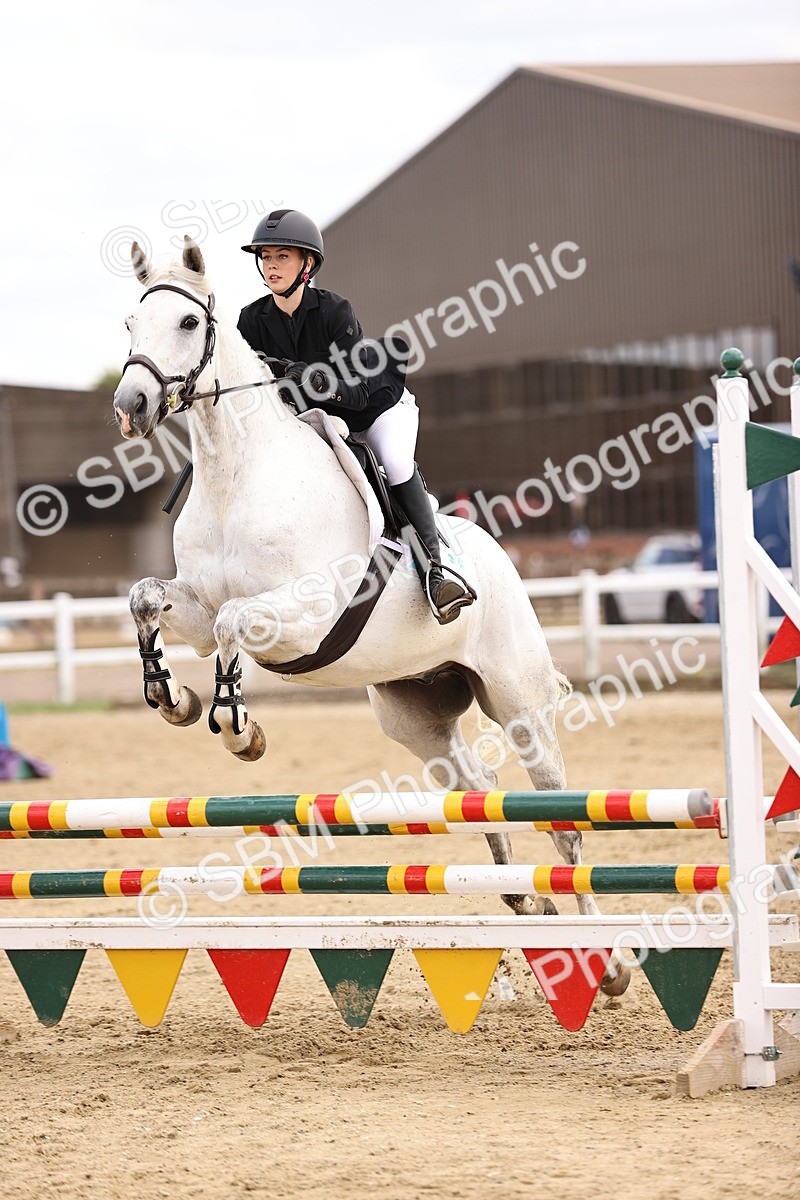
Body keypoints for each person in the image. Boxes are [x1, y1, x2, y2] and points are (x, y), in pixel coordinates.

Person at [238, 209, 475, 624]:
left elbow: (358, 390)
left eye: (282, 257)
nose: (271, 266)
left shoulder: (334, 311)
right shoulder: (251, 320)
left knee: (395, 463)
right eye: (266, 257)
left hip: (376, 410)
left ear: (307, 264)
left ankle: (436, 572)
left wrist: (314, 381)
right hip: (320, 420)